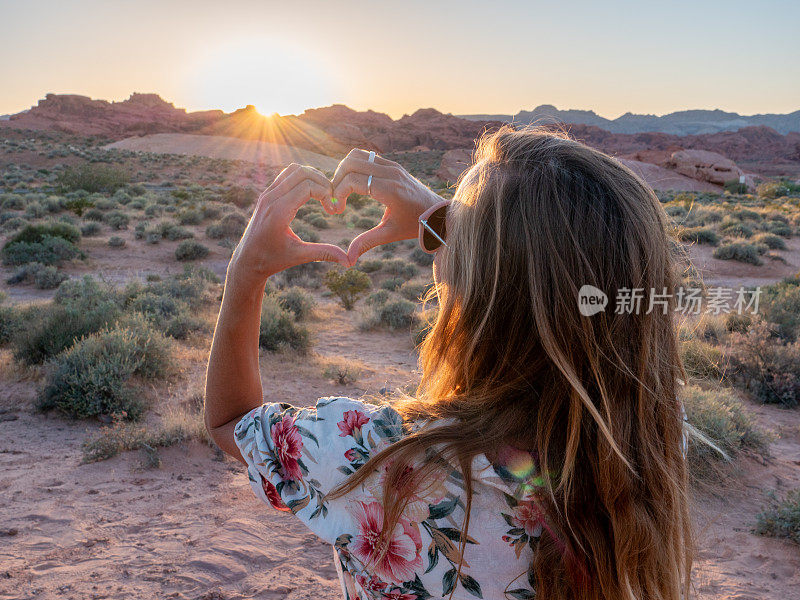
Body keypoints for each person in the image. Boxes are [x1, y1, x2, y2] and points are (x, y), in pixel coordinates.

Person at [205, 126, 692, 600]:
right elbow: (551, 268)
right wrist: (445, 219)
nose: (442, 243)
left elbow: (230, 422)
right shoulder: (644, 435)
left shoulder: (383, 460)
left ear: (482, 288)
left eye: (459, 231)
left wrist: (246, 269)